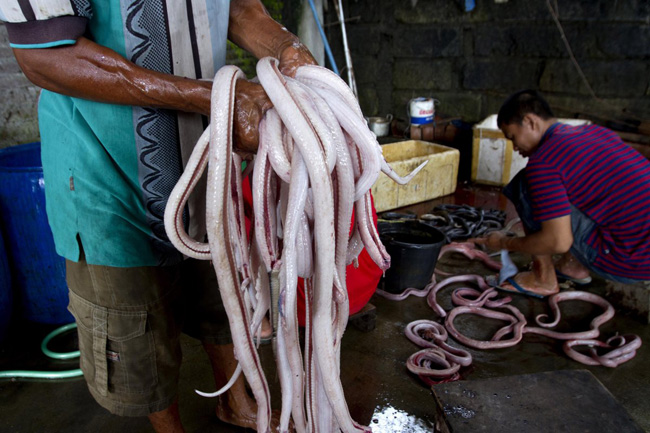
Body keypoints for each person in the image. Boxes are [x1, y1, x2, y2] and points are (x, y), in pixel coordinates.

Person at [0, 1, 316, 431]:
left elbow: (239, 7)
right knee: (137, 318)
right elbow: (43, 56)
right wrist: (211, 97)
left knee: (220, 292)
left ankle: (237, 401)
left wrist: (287, 48)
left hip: (205, 160)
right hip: (105, 166)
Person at [471, 89, 650, 297]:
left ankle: (542, 278)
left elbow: (558, 241)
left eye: (512, 137)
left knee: (525, 185)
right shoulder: (595, 133)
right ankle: (572, 266)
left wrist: (504, 242)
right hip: (643, 254)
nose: (514, 147)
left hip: (629, 261)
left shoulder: (544, 162)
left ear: (530, 122)